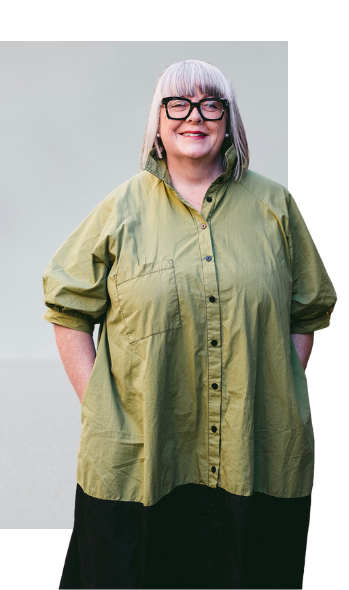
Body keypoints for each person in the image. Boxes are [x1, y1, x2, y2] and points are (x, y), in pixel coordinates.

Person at [42, 60, 336, 589]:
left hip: (256, 451)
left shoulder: (275, 207)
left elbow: (304, 314)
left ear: (229, 120)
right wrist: (101, 406)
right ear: (157, 121)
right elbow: (68, 309)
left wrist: (270, 390)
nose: (193, 116)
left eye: (210, 104)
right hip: (144, 453)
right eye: (177, 103)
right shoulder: (122, 209)